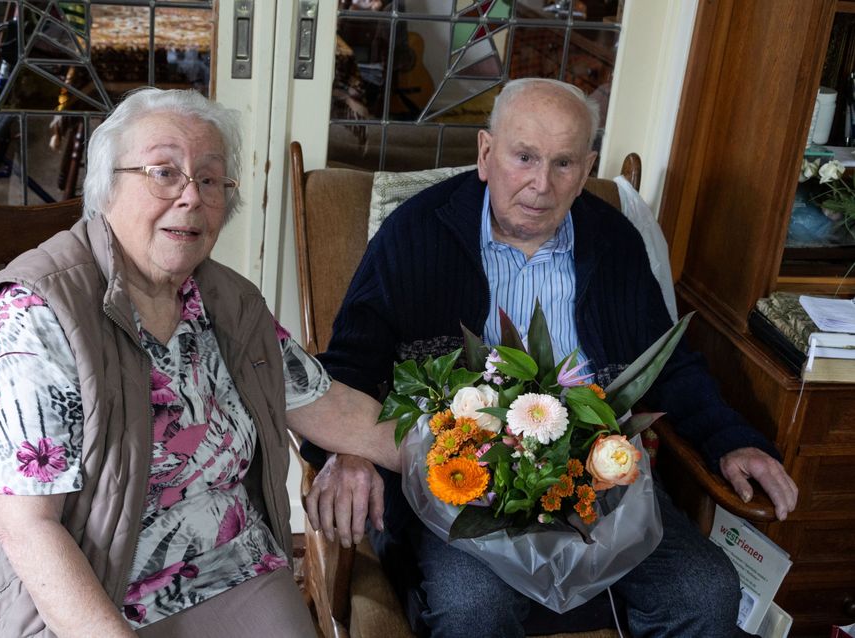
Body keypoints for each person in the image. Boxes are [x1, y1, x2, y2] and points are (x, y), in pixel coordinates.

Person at [303, 78, 799, 638]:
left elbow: (669, 362)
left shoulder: (612, 242)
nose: (541, 184)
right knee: (472, 608)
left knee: (705, 593)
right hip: (461, 486)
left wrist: (729, 438)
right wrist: (346, 453)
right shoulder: (414, 233)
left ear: (586, 170)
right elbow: (349, 363)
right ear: (486, 155)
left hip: (600, 487)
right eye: (524, 157)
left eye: (563, 164)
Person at [0, 87, 397, 638]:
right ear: (107, 188)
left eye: (209, 179)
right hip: (85, 584)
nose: (191, 197)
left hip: (228, 562)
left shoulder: (228, 301)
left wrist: (461, 451)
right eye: (164, 172)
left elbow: (330, 406)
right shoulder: (36, 314)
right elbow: (28, 529)